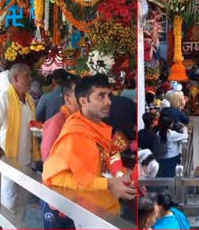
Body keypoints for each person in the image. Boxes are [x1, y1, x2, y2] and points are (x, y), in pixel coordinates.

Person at [42, 74, 136, 219]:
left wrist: (122, 175)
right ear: (84, 101)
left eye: (109, 95)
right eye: (101, 96)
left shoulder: (98, 127)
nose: (109, 102)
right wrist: (109, 184)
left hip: (105, 205)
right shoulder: (75, 134)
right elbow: (61, 178)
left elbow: (108, 156)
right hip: (87, 210)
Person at [0, 63, 41, 217]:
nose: (30, 79)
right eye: (27, 76)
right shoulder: (3, 97)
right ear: (16, 78)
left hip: (26, 158)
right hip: (9, 158)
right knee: (9, 200)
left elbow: (30, 125)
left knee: (22, 200)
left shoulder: (30, 99)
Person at [41, 77, 79, 162]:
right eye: (79, 95)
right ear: (67, 99)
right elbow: (48, 158)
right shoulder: (56, 122)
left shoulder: (84, 119)